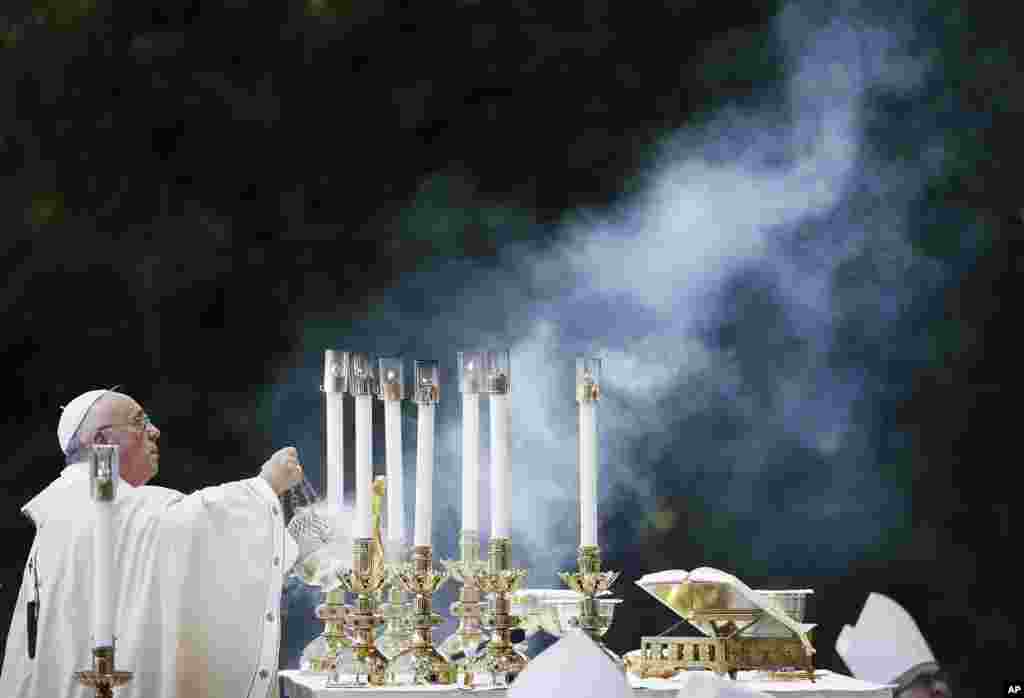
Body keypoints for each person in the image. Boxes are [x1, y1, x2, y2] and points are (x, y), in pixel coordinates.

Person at [0, 388, 304, 698]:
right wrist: (265, 486)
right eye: (138, 422)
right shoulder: (93, 498)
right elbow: (188, 526)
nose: (154, 431)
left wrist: (288, 542)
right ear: (101, 443)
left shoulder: (75, 501)